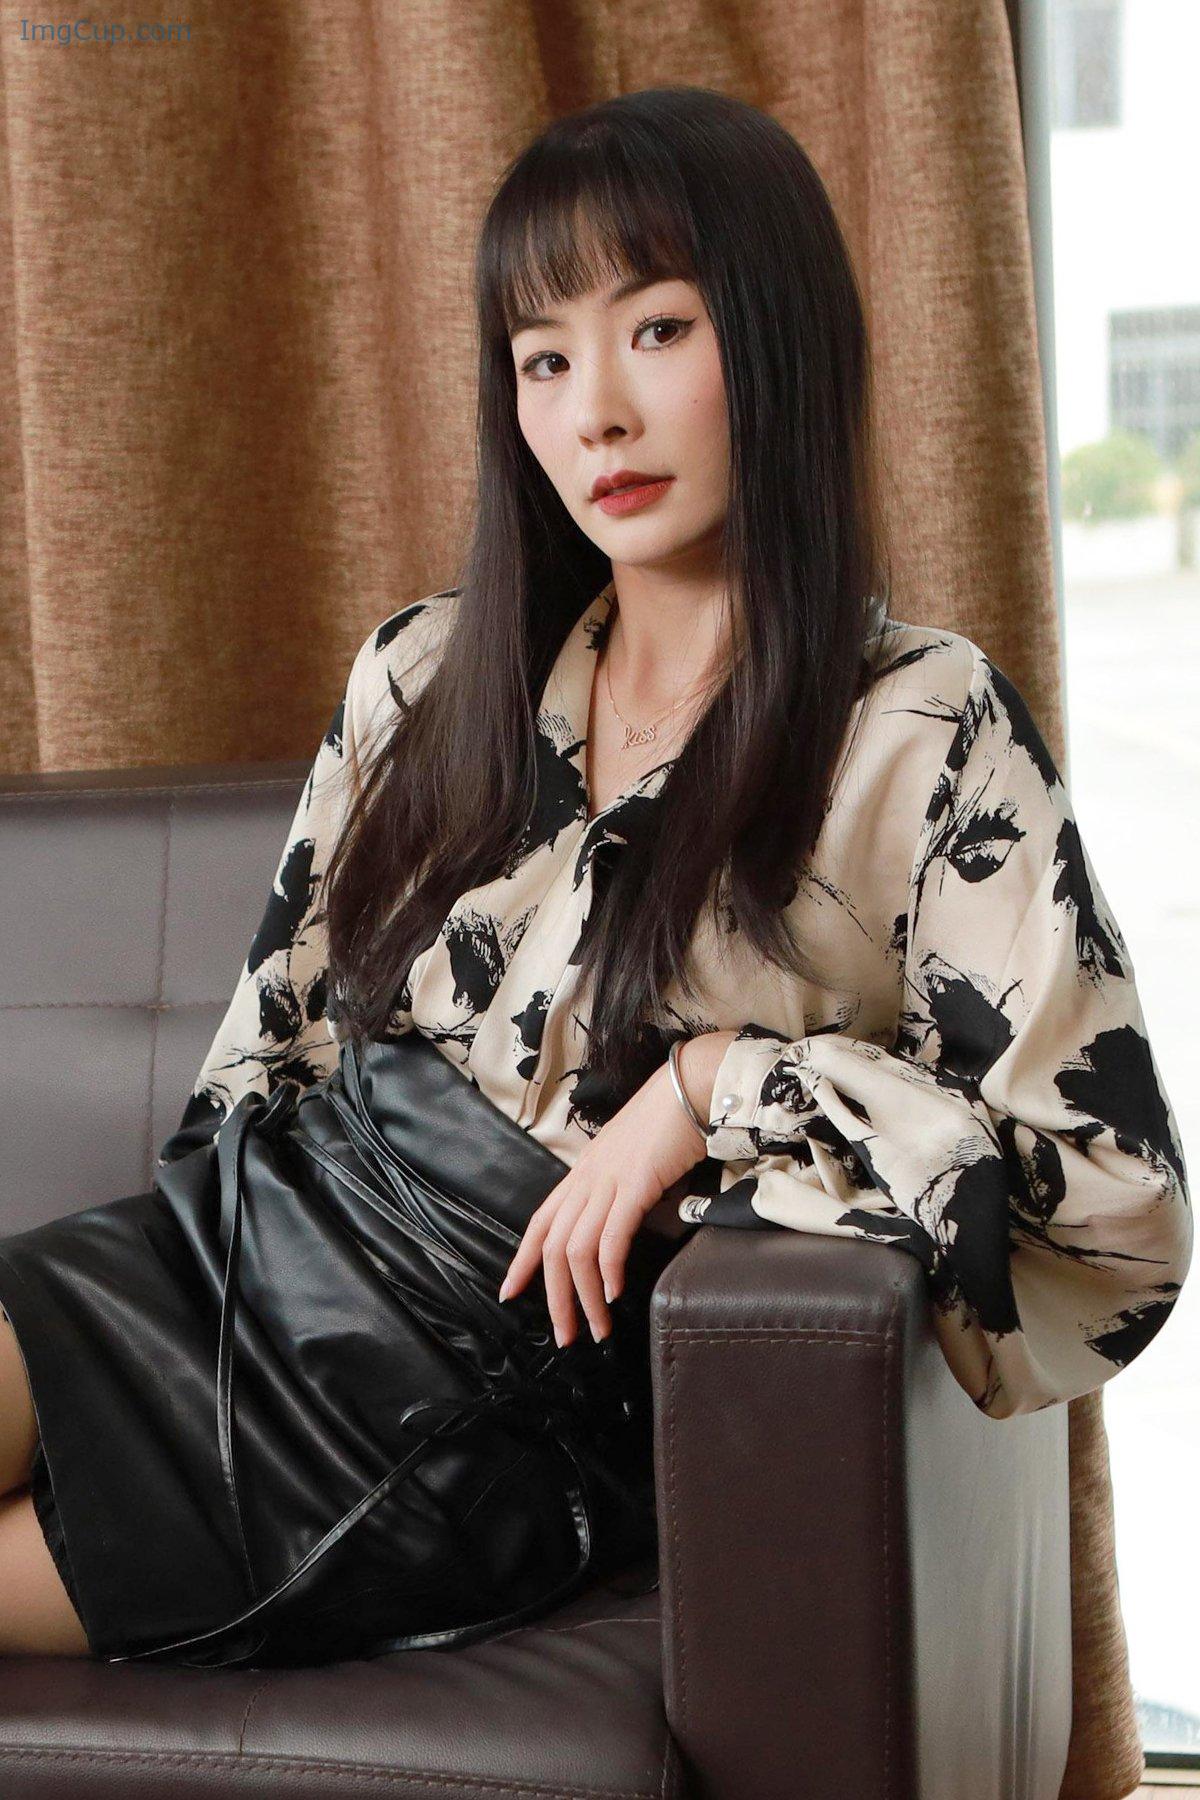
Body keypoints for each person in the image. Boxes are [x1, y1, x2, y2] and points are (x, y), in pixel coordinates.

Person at [0, 85, 1190, 1664]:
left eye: (659, 330)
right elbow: (264, 1048)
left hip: (449, 1416)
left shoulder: (920, 728)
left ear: (777, 340)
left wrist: (711, 1085)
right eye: (544, 358)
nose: (596, 415)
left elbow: (1109, 1209)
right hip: (228, 1254)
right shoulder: (428, 673)